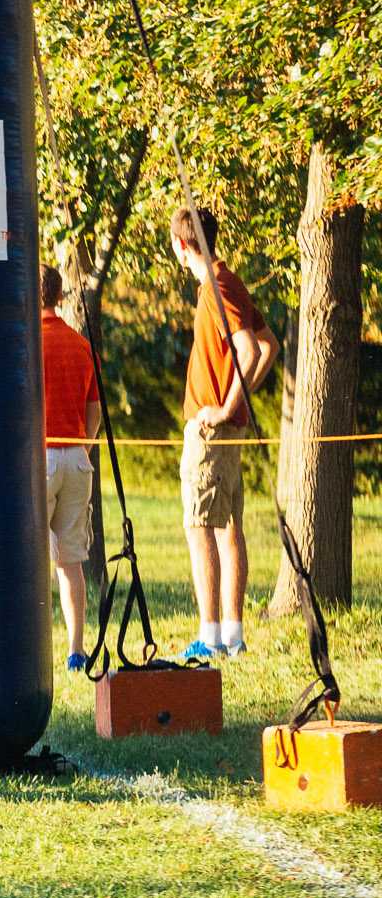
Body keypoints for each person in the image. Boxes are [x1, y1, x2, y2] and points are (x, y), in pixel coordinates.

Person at [170, 208, 278, 660]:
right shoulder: (227, 280)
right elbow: (269, 343)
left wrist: (227, 407)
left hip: (211, 431)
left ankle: (210, 637)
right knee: (229, 529)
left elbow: (250, 348)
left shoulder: (214, 288)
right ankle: (233, 636)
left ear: (180, 245)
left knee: (201, 528)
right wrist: (243, 402)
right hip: (227, 430)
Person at [39, 266, 102, 672]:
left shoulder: (26, 343)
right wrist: (83, 443)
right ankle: (76, 649)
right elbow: (93, 410)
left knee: (31, 558)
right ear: (60, 296)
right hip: (77, 457)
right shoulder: (80, 345)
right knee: (71, 562)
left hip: (38, 459)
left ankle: (29, 651)